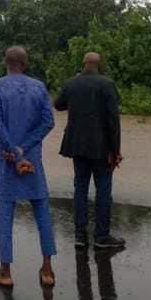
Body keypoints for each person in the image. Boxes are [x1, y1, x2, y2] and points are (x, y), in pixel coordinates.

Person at [0, 46, 57, 289]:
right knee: (42, 210)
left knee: (5, 213)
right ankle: (47, 270)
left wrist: (14, 152)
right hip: (32, 159)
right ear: (25, 65)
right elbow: (48, 122)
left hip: (7, 160)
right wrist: (24, 150)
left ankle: (5, 272)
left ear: (6, 63)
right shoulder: (38, 87)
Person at [55, 52, 125, 249]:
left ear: (83, 63)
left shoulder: (71, 83)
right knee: (103, 190)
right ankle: (101, 236)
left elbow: (58, 105)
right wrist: (116, 150)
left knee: (80, 188)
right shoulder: (107, 84)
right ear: (99, 65)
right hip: (102, 148)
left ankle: (80, 235)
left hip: (76, 145)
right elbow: (113, 120)